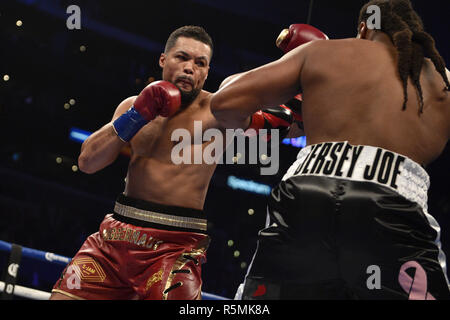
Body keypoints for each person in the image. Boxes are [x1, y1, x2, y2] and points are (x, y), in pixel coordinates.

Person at [210, 0, 450, 299]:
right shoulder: (443, 81)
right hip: (395, 199)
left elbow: (223, 102)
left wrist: (294, 111)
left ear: (363, 27)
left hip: (307, 189)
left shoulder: (323, 52)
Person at [50, 25, 295, 300]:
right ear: (163, 60)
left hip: (174, 247)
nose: (190, 68)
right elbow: (87, 162)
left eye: (200, 63)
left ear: (207, 71)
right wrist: (137, 115)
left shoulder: (220, 112)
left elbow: (291, 126)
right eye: (182, 58)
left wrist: (303, 83)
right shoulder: (132, 106)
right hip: (115, 238)